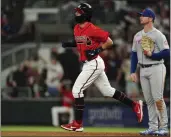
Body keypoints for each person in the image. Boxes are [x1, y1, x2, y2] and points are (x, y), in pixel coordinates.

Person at [61, 3, 143, 132]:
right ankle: (135, 105)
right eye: (76, 12)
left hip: (93, 62)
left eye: (79, 12)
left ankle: (77, 124)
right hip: (91, 63)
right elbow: (80, 41)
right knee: (107, 91)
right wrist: (69, 44)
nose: (76, 14)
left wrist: (97, 50)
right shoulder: (77, 28)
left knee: (77, 90)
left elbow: (110, 41)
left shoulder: (92, 29)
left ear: (86, 14)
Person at [130, 8, 170, 136]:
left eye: (143, 16)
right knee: (149, 100)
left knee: (158, 98)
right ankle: (152, 127)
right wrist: (132, 71)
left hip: (157, 67)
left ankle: (164, 127)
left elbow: (167, 52)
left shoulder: (158, 34)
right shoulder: (137, 35)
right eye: (140, 15)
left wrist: (152, 55)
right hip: (142, 69)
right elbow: (134, 55)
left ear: (150, 18)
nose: (140, 17)